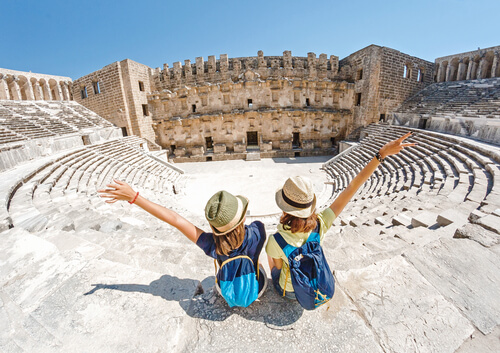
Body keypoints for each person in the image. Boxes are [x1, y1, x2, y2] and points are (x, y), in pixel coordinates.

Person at [266, 132, 416, 300]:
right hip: (314, 284)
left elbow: (278, 268)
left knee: (272, 262)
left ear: (285, 208)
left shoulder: (276, 240)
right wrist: (381, 154)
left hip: (293, 292)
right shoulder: (321, 223)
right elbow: (351, 188)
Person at [98, 181, 267, 307]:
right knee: (256, 262)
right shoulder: (258, 231)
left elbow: (175, 220)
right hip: (256, 288)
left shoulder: (212, 244)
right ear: (243, 217)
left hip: (226, 292)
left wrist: (135, 198)